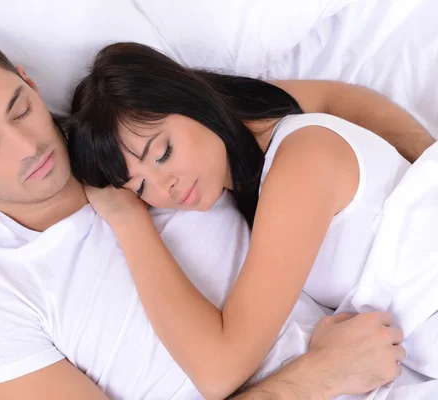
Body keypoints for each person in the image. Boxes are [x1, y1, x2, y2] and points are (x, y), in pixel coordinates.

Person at [0, 30, 427, 400]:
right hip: (355, 364)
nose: (27, 145)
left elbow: (327, 103)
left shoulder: (133, 136)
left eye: (19, 109)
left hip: (399, 363)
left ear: (28, 81)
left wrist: (426, 172)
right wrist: (313, 379)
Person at [66, 42, 437, 398]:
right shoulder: (259, 138)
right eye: (140, 186)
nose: (166, 188)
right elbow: (332, 97)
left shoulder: (300, 164)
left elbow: (218, 371)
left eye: (163, 154)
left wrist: (127, 219)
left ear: (193, 102)